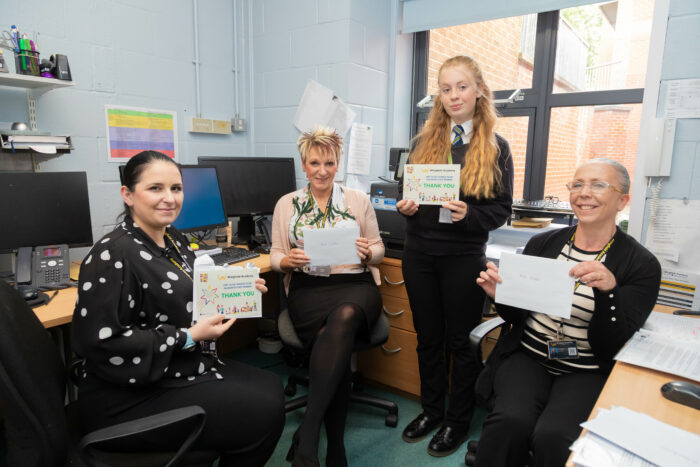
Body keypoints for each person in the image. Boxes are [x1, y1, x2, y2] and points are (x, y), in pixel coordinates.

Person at [72, 151, 285, 467]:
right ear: (127, 195)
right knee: (262, 411)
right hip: (125, 393)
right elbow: (104, 343)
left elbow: (189, 295)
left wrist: (235, 291)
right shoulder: (113, 256)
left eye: (176, 188)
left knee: (271, 388)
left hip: (172, 367)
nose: (169, 198)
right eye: (155, 188)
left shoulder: (172, 239)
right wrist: (187, 336)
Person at [473, 158, 662, 466]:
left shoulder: (641, 265)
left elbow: (613, 344)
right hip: (530, 356)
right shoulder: (543, 243)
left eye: (598, 185)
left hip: (587, 368)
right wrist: (501, 296)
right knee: (509, 422)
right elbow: (515, 316)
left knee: (556, 435)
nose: (584, 193)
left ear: (623, 200)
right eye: (577, 184)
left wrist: (608, 294)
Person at [396, 55, 513, 457]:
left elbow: (501, 210)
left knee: (462, 342)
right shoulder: (423, 141)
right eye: (445, 89)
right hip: (420, 255)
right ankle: (431, 410)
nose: (453, 96)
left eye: (461, 86)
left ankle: (458, 421)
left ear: (479, 89)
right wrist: (405, 206)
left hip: (463, 257)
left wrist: (469, 214)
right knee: (428, 339)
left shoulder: (496, 147)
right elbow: (406, 193)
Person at [270, 126, 385, 467]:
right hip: (309, 288)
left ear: (338, 164)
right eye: (314, 162)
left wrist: (369, 254)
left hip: (356, 284)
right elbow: (276, 255)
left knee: (346, 315)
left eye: (329, 163)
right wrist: (288, 260)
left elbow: (378, 249)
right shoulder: (286, 204)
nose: (322, 170)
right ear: (303, 165)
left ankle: (308, 434)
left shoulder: (358, 200)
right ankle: (335, 447)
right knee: (334, 340)